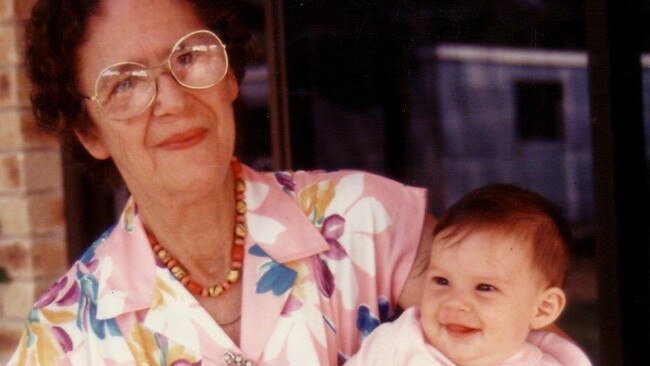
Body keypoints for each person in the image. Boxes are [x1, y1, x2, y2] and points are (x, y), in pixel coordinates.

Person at [8, 0, 436, 365]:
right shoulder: (62, 340)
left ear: (229, 73)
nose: (174, 101)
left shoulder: (369, 219)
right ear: (89, 132)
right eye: (124, 83)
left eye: (189, 57)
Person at [346, 184, 593, 365]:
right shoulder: (397, 344)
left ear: (542, 309)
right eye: (442, 281)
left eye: (484, 287)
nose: (455, 302)